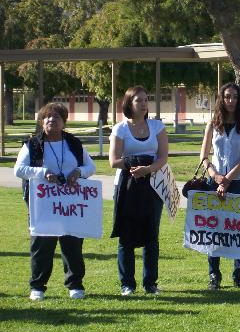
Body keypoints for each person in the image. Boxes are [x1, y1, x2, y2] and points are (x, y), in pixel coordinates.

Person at [14, 103, 96, 301]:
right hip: (43, 204)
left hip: (70, 204)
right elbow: (19, 169)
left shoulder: (74, 144)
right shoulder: (32, 145)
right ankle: (38, 287)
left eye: (57, 117)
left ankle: (75, 284)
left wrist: (79, 172)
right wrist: (43, 173)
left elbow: (90, 167)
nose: (52, 120)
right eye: (48, 117)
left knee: (72, 245)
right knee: (42, 245)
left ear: (64, 122)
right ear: (42, 122)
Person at [109, 86, 168, 296]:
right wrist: (134, 164)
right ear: (129, 104)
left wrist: (148, 169)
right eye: (138, 101)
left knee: (151, 235)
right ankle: (127, 284)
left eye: (146, 100)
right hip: (126, 186)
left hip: (153, 186)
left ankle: (150, 283)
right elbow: (113, 161)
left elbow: (163, 157)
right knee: (126, 236)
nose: (143, 104)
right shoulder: (120, 129)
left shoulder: (157, 126)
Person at [199, 82, 240, 290]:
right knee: (214, 228)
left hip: (239, 181)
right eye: (227, 97)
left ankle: (239, 275)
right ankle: (214, 274)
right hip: (214, 181)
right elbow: (204, 156)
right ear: (221, 99)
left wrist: (228, 179)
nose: (230, 101)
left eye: (234, 97)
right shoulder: (213, 123)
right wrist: (215, 176)